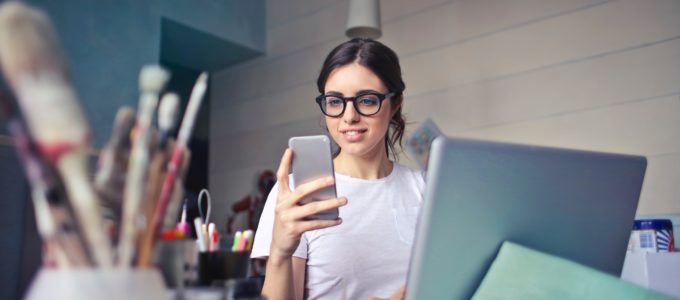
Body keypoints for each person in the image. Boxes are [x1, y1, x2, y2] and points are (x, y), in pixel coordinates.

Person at [251, 38, 425, 300]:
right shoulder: (297, 193)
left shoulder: (425, 188)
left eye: (366, 100)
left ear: (395, 103)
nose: (348, 116)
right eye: (335, 102)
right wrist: (279, 253)